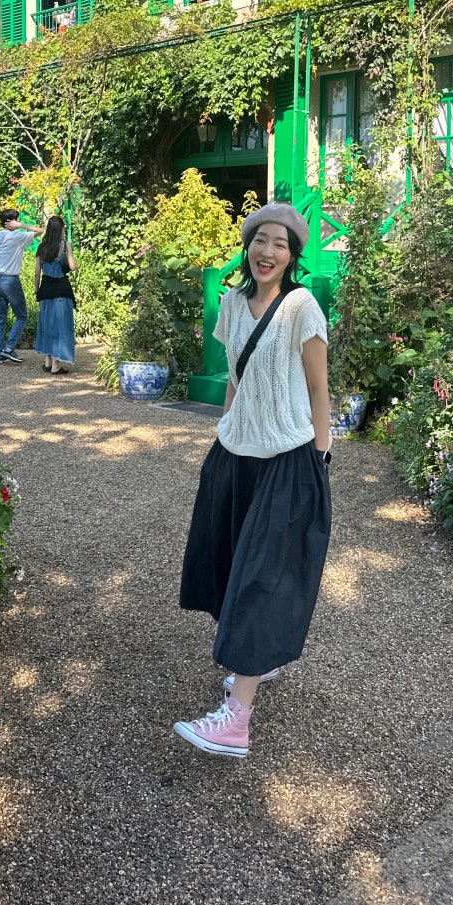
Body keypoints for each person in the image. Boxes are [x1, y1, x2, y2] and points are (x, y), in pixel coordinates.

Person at [175, 202, 332, 759]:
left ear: (292, 256)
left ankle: (236, 720)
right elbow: (235, 378)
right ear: (247, 246)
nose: (267, 252)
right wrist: (225, 429)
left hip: (287, 459)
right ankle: (254, 663)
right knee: (228, 564)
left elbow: (318, 389)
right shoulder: (231, 304)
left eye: (280, 244)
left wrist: (321, 458)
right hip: (235, 454)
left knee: (262, 578)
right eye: (260, 240)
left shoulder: (301, 307)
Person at [0, 209, 43, 365]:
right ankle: (8, 348)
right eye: (17, 220)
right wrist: (22, 225)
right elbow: (40, 231)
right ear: (12, 221)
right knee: (22, 316)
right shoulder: (17, 236)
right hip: (10, 280)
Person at [34, 215, 77, 374]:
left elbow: (37, 273)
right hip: (61, 290)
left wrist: (37, 289)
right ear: (61, 229)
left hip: (45, 290)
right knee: (60, 326)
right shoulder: (65, 245)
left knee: (46, 324)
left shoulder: (41, 247)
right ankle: (55, 365)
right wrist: (74, 263)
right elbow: (72, 267)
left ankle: (47, 361)